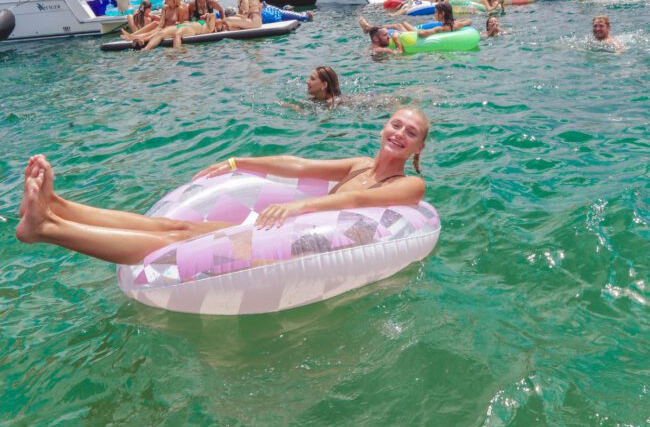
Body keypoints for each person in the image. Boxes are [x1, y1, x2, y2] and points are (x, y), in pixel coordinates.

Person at [16, 109, 429, 264]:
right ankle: (57, 205)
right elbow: (298, 164)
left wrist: (299, 209)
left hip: (302, 243)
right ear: (384, 125)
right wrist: (236, 161)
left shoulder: (411, 185)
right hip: (288, 231)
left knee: (176, 237)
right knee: (168, 227)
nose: (399, 133)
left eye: (410, 132)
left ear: (418, 147)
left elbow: (358, 200)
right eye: (395, 123)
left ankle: (48, 229)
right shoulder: (358, 163)